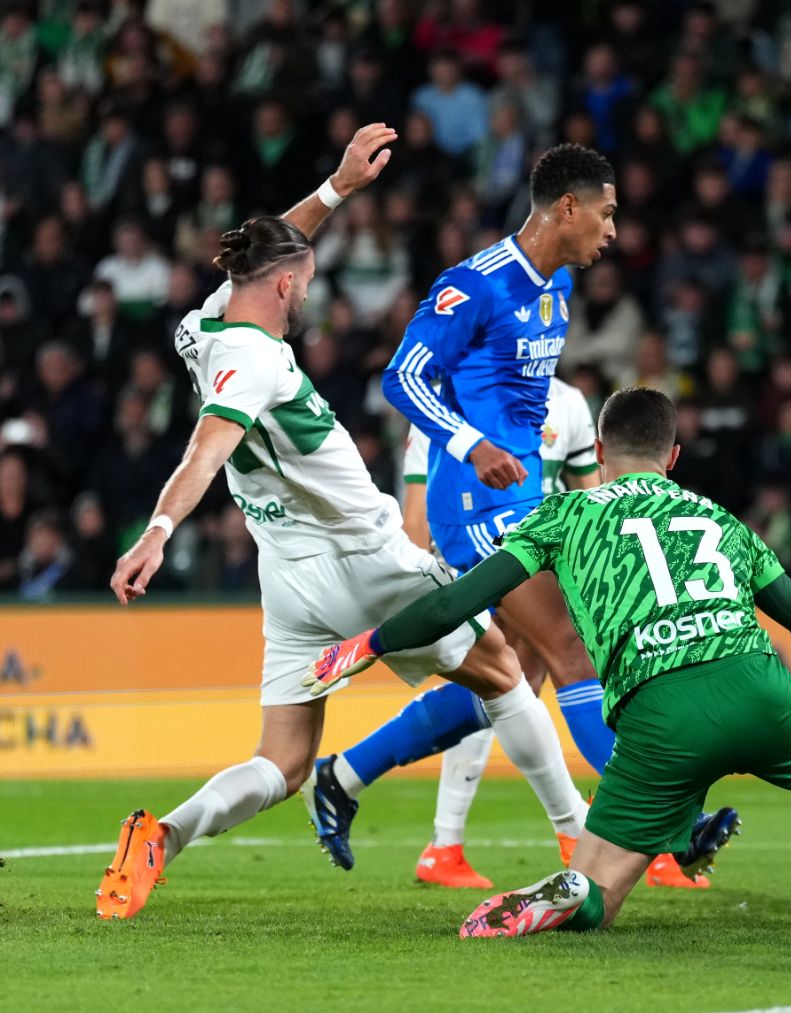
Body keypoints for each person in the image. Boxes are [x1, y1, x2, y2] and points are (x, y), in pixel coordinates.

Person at [304, 386, 791, 937]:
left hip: (659, 718)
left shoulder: (563, 513)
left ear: (597, 454)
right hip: (757, 686)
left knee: (601, 888)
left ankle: (575, 894)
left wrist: (369, 645)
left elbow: (458, 601)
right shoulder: (717, 519)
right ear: (673, 454)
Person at [96, 126, 590, 921]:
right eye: (309, 283)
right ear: (288, 289)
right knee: (504, 671)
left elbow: (266, 255)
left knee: (283, 761)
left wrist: (335, 189)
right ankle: (581, 844)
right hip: (365, 558)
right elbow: (203, 449)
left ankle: (163, 835)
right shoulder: (258, 363)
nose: (309, 296)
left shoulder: (203, 327)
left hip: (287, 578)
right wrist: (158, 528)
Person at [307, 143, 725, 890]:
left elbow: (524, 412)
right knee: (573, 649)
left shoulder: (556, 288)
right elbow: (400, 378)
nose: (612, 229)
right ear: (567, 206)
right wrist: (470, 446)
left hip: (521, 500)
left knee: (513, 680)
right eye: (607, 211)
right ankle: (668, 825)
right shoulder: (477, 284)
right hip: (473, 501)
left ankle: (345, 772)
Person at [395, 376, 601, 889]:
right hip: (483, 567)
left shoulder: (569, 402)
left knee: (505, 694)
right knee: (541, 677)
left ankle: (442, 843)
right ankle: (641, 828)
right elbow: (416, 512)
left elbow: (589, 498)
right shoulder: (442, 403)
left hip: (547, 569)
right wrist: (424, 581)